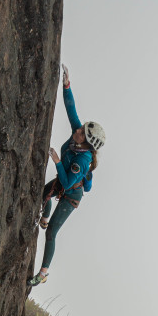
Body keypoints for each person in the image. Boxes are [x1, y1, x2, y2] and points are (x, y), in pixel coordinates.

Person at [28, 65, 106, 287]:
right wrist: (67, 85)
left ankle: (43, 273)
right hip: (66, 183)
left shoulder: (83, 161)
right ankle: (43, 218)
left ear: (86, 142)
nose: (78, 130)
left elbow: (67, 181)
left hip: (72, 195)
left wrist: (58, 161)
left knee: (51, 232)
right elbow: (71, 109)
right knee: (43, 195)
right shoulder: (78, 135)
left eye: (82, 132)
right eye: (81, 128)